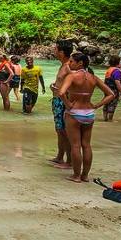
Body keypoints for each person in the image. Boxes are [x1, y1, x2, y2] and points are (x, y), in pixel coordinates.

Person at [58, 52, 115, 183]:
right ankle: (85, 176)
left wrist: (68, 105)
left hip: (74, 113)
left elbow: (61, 92)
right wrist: (96, 105)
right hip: (89, 113)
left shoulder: (71, 76)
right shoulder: (93, 78)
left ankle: (76, 176)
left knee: (75, 146)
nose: (69, 63)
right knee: (86, 145)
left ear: (80, 63)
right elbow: (111, 94)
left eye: (72, 61)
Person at [49, 40, 73, 169]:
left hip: (62, 102)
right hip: (58, 101)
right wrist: (55, 86)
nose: (54, 52)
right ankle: (60, 156)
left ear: (62, 52)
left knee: (65, 131)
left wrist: (63, 93)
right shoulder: (63, 64)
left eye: (56, 49)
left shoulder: (69, 66)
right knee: (59, 130)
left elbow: (74, 82)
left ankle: (69, 161)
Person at [102, 55, 121, 122]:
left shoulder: (109, 69)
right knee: (113, 104)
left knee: (106, 103)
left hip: (106, 90)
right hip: (114, 90)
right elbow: (117, 82)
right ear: (118, 63)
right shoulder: (117, 71)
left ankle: (105, 119)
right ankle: (110, 120)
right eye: (120, 62)